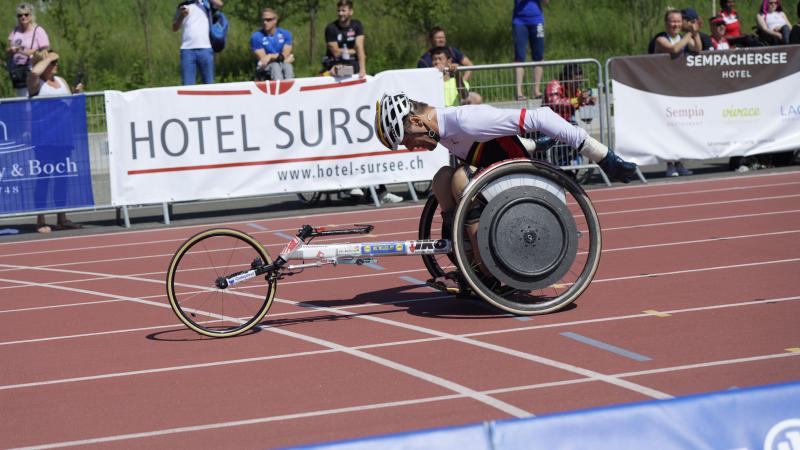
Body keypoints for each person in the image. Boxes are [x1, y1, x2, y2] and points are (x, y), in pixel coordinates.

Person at [373, 93, 638, 290]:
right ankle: (467, 261)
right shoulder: (446, 133)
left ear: (417, 121)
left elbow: (542, 117)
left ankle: (485, 274)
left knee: (456, 177)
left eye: (406, 139)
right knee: (442, 178)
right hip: (505, 190)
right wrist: (533, 144)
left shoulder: (466, 120)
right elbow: (498, 144)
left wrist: (602, 156)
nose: (409, 147)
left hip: (533, 192)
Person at [27, 50, 84, 233]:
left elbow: (69, 106)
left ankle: (62, 217)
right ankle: (41, 219)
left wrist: (75, 94)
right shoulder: (36, 83)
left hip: (63, 136)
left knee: (62, 179)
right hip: (44, 137)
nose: (56, 63)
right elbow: (34, 73)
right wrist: (47, 58)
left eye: (56, 61)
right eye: (52, 61)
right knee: (43, 178)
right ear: (42, 63)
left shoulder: (61, 81)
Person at [649, 8, 698, 177]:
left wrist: (694, 33)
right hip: (662, 91)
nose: (675, 24)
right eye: (672, 21)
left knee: (680, 127)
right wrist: (688, 35)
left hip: (679, 89)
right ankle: (670, 165)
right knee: (667, 128)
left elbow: (697, 48)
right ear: (666, 23)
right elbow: (674, 49)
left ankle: (679, 162)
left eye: (678, 21)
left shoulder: (683, 36)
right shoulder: (661, 38)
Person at [173, 0, 224, 85]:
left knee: (209, 84)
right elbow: (174, 28)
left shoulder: (207, 4)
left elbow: (220, 4)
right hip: (187, 50)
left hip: (206, 49)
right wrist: (181, 16)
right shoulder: (183, 5)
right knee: (187, 86)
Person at [6, 3, 49, 98]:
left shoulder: (38, 30)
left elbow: (44, 51)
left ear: (31, 16)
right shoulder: (15, 31)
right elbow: (8, 48)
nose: (23, 17)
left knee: (34, 98)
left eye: (26, 14)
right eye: (20, 15)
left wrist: (21, 50)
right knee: (22, 99)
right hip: (18, 71)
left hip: (34, 70)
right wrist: (11, 50)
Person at [513, 0, 548, 100]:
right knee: (519, 56)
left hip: (537, 20)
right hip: (520, 21)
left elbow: (546, 1)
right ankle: (519, 92)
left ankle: (536, 91)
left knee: (538, 56)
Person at [324, 0, 366, 78]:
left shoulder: (357, 25)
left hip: (351, 63)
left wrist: (362, 69)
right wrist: (354, 50)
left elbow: (360, 47)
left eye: (343, 11)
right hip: (334, 61)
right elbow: (336, 52)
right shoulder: (331, 28)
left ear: (351, 12)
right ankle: (327, 73)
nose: (340, 13)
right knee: (340, 70)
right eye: (339, 11)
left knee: (357, 68)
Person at [250, 7, 294, 81]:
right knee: (275, 66)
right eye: (263, 20)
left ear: (275, 20)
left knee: (288, 67)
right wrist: (282, 59)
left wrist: (270, 56)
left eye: (268, 20)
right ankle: (279, 90)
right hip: (264, 68)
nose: (265, 22)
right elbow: (264, 60)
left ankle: (290, 90)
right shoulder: (256, 36)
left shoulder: (285, 34)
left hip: (282, 64)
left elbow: (285, 54)